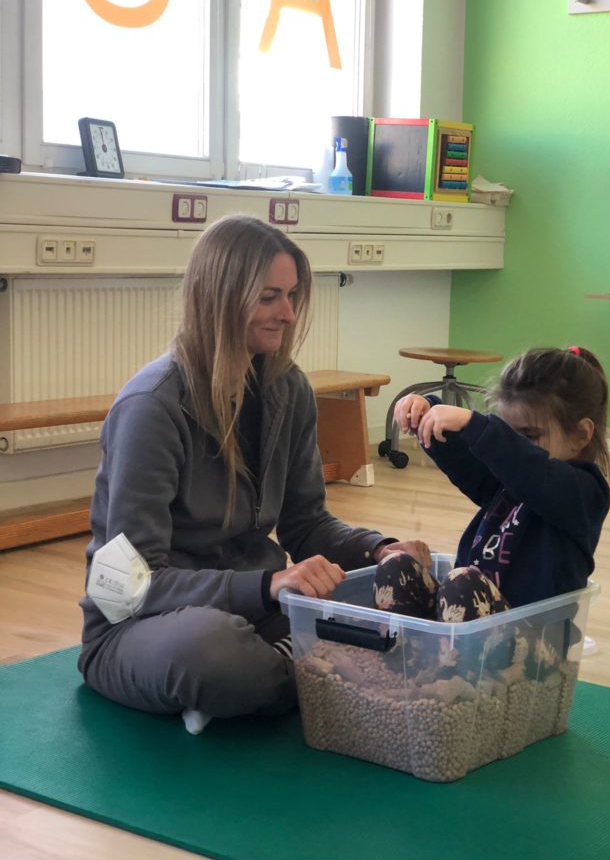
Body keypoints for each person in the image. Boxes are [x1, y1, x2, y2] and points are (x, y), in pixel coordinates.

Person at [78, 214, 429, 733]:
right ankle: (312, 670)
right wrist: (268, 584)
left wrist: (380, 549)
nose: (287, 313)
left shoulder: (289, 391)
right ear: (220, 297)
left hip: (257, 611)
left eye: (291, 296)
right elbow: (126, 588)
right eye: (269, 297)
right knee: (213, 653)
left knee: (387, 596)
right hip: (143, 628)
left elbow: (306, 525)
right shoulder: (152, 408)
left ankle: (279, 674)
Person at [373, 346, 610, 661]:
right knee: (397, 564)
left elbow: (531, 471)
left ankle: (449, 683)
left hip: (535, 651)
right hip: (470, 633)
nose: (512, 445)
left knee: (463, 582)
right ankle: (405, 670)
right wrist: (426, 412)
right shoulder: (508, 478)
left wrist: (478, 425)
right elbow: (469, 461)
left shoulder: (583, 492)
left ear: (580, 436)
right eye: (508, 433)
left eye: (528, 435)